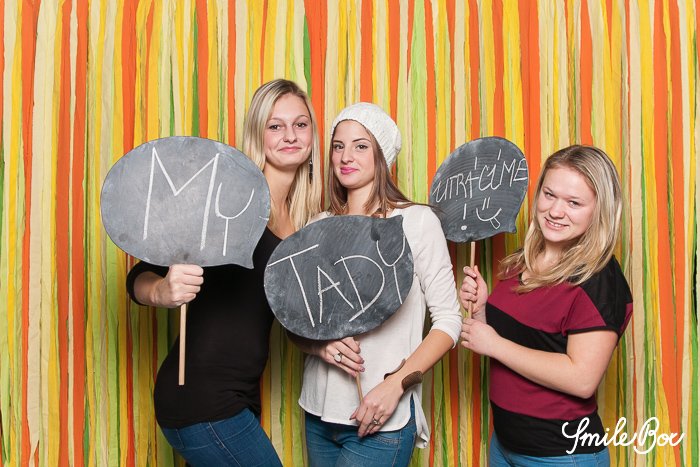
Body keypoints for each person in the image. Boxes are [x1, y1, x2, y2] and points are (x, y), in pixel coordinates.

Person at [125, 79, 322, 466]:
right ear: (258, 134)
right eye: (276, 126)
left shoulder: (302, 224)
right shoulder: (229, 202)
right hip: (200, 398)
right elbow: (138, 278)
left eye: (300, 124)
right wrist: (163, 291)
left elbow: (294, 320)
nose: (290, 135)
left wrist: (325, 345)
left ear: (312, 134)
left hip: (239, 398)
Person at [290, 103, 462, 466]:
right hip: (318, 415)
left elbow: (448, 322)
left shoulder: (416, 222)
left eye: (360, 146)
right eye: (338, 146)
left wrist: (395, 385)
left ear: (381, 155)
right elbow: (294, 321)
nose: (346, 157)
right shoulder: (317, 225)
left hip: (383, 419)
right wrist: (319, 346)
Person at [459, 145, 633, 466]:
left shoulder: (600, 280)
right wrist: (482, 309)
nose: (555, 211)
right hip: (504, 444)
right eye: (549, 194)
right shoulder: (523, 260)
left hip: (561, 454)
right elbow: (517, 344)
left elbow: (582, 379)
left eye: (573, 203)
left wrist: (495, 344)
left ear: (600, 211)